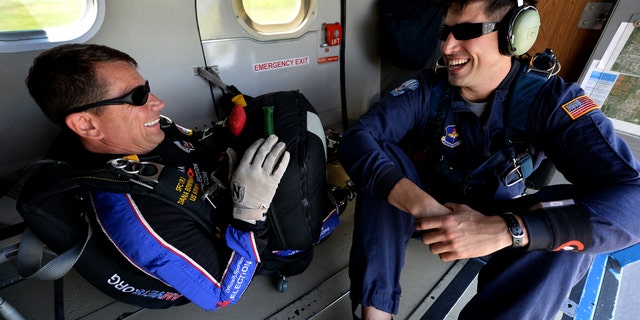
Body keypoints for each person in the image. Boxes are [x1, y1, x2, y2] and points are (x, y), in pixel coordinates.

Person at [338, 0, 640, 319]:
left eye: (467, 31)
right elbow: (357, 139)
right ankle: (376, 312)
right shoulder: (428, 89)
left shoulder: (551, 100)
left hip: (499, 219)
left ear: (513, 35)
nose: (447, 46)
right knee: (380, 156)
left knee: (565, 217)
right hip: (430, 211)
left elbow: (633, 198)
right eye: (445, 32)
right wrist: (422, 205)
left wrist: (505, 229)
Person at [25, 43, 290, 310]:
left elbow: (191, 142)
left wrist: (226, 137)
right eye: (138, 96)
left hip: (220, 196)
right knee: (302, 230)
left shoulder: (144, 133)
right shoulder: (137, 215)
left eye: (146, 88)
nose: (157, 103)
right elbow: (221, 296)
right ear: (87, 124)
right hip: (241, 232)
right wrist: (250, 213)